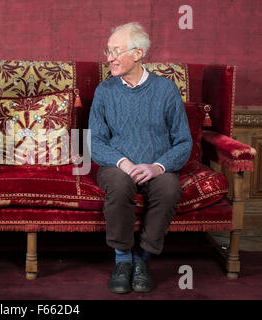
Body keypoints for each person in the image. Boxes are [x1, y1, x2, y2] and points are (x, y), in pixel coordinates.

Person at [88, 22, 192, 294]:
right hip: (116, 166)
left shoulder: (166, 90)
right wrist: (124, 163)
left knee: (170, 188)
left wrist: (158, 167)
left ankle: (143, 259)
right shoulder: (105, 91)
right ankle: (123, 259)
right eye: (107, 51)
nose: (109, 58)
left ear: (138, 54)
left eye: (116, 51)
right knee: (121, 185)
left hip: (157, 166)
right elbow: (95, 142)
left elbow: (183, 142)